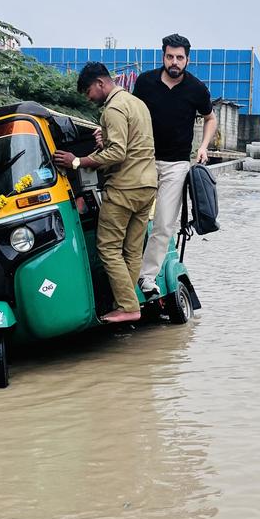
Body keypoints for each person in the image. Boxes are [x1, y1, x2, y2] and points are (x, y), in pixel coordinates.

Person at [53, 62, 158, 323]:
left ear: (101, 83)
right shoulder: (138, 103)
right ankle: (128, 303)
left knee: (108, 248)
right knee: (132, 251)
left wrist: (77, 161)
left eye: (88, 91)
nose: (89, 98)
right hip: (147, 185)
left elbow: (117, 153)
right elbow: (130, 145)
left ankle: (128, 307)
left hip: (125, 188)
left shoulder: (112, 109)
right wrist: (104, 144)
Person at [132, 34, 216, 299]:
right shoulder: (145, 82)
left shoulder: (197, 89)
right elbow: (132, 115)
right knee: (133, 216)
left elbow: (210, 118)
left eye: (180, 58)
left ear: (187, 59)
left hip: (177, 164)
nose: (175, 62)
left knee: (164, 223)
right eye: (170, 56)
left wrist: (203, 147)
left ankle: (146, 277)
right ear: (163, 57)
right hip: (143, 158)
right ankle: (127, 269)